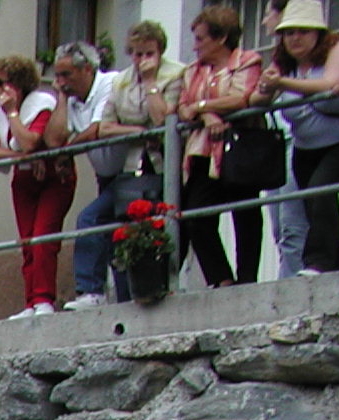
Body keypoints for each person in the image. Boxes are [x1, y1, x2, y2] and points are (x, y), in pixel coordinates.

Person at [258, 0, 339, 274]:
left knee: (320, 189)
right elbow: (258, 98)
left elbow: (328, 83)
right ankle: (333, 264)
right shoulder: (284, 65)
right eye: (289, 32)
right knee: (314, 202)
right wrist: (265, 86)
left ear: (318, 33)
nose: (295, 38)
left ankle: (318, 262)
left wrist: (280, 83)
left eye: (303, 31)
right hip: (306, 148)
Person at [178, 6, 266, 287]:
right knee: (196, 217)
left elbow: (241, 97)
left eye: (201, 39)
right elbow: (182, 108)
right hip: (203, 150)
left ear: (221, 38)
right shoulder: (192, 71)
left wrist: (202, 106)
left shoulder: (247, 61)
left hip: (239, 147)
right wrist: (206, 115)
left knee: (246, 214)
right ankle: (222, 279)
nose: (195, 46)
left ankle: (247, 279)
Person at [97, 24, 186, 288]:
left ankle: (163, 285)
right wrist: (137, 130)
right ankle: (129, 290)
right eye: (136, 54)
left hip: (164, 164)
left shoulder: (176, 73)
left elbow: (163, 120)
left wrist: (150, 83)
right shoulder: (120, 80)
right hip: (132, 164)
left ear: (160, 52)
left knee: (163, 227)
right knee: (121, 227)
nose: (142, 60)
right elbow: (105, 126)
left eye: (149, 53)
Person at [0, 55, 72, 317]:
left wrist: (12, 112)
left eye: (0, 84)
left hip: (53, 178)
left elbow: (30, 140)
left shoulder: (41, 103)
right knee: (27, 241)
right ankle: (31, 301)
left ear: (17, 86)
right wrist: (20, 158)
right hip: (24, 179)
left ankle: (44, 298)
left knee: (43, 237)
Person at [52, 41, 129, 309]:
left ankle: (91, 291)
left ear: (86, 69)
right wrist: (61, 100)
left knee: (91, 218)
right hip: (106, 176)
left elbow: (97, 129)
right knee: (115, 234)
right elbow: (55, 138)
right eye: (57, 75)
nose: (60, 82)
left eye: (66, 75)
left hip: (131, 170)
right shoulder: (72, 99)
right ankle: (119, 297)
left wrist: (67, 152)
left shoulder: (110, 83)